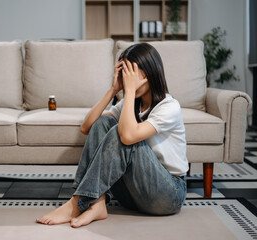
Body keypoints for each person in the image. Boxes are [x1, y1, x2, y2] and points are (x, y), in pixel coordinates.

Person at [36, 42, 189, 228]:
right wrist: (113, 90)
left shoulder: (169, 106)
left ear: (148, 74)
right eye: (123, 74)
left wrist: (130, 90)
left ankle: (77, 204)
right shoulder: (130, 103)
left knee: (123, 132)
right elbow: (87, 127)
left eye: (130, 73)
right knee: (103, 123)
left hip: (167, 195)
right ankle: (96, 202)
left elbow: (127, 137)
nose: (126, 79)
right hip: (134, 195)